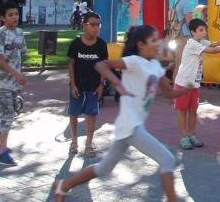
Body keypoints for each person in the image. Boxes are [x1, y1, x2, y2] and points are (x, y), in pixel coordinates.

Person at [52, 25, 190, 202]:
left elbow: (168, 93)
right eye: (153, 40)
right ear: (141, 44)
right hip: (131, 126)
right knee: (168, 160)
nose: (158, 44)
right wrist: (117, 84)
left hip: (129, 127)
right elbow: (101, 64)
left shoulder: (155, 66)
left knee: (103, 169)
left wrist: (186, 90)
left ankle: (63, 186)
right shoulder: (133, 61)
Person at [175, 18, 220, 150]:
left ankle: (192, 135)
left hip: (194, 84)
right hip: (183, 84)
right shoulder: (192, 44)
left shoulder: (201, 41)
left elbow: (214, 44)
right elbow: (212, 50)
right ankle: (183, 137)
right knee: (182, 112)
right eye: (201, 30)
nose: (204, 32)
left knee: (193, 111)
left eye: (205, 29)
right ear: (193, 32)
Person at [0, 1, 27, 166]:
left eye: (16, 14)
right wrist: (16, 74)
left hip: (14, 80)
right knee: (8, 113)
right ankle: (2, 152)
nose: (14, 17)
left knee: (1, 112)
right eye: (10, 15)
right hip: (3, 79)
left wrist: (19, 74)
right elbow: (0, 61)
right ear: (2, 17)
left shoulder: (20, 32)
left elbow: (19, 55)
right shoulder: (0, 34)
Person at [67, 12, 108, 157]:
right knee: (74, 113)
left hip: (94, 86)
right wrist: (72, 84)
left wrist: (101, 84)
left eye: (98, 25)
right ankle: (73, 142)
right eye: (92, 25)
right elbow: (71, 64)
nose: (96, 28)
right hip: (77, 85)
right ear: (84, 25)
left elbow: (104, 65)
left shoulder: (102, 45)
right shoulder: (76, 44)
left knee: (91, 114)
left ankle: (89, 144)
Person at [172, 0, 196, 81]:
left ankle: (175, 87)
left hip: (177, 34)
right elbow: (189, 22)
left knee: (178, 63)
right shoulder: (186, 2)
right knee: (184, 64)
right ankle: (179, 89)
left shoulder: (176, 0)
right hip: (184, 35)